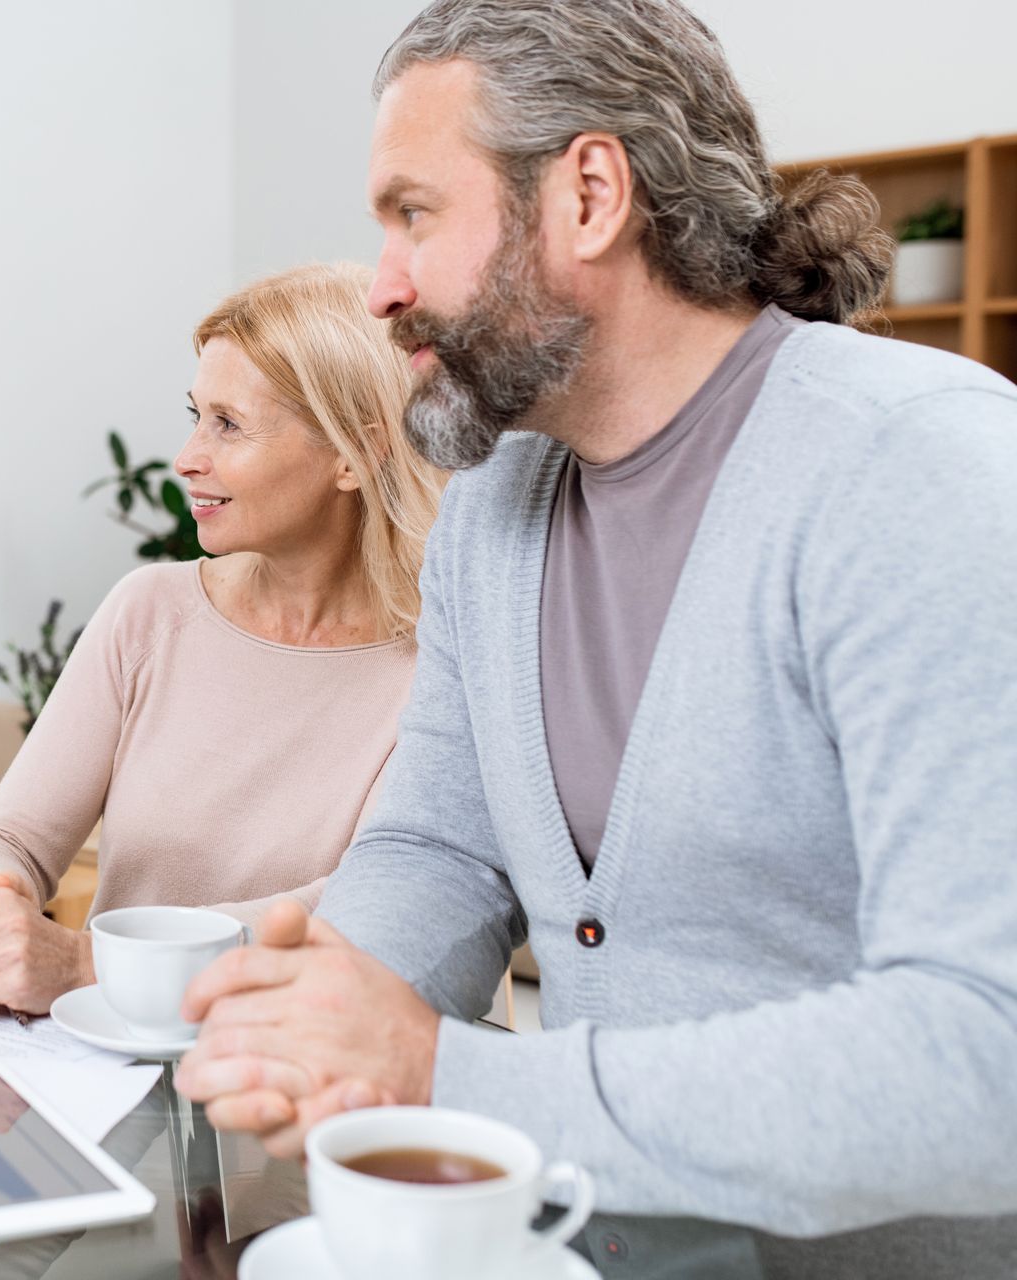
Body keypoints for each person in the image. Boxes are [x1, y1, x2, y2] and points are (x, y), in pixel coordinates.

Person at [174, 0, 1017, 1264]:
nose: (384, 286)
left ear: (588, 195)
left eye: (414, 214)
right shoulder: (496, 508)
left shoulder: (919, 467)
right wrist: (316, 1006)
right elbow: (443, 848)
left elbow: (984, 1051)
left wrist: (438, 1069)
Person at [0, 264, 446, 1015]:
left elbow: (361, 909)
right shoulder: (149, 612)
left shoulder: (439, 664)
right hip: (107, 1058)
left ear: (353, 454)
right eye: (195, 415)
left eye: (228, 424)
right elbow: (17, 835)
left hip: (300, 1069)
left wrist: (89, 963)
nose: (186, 457)